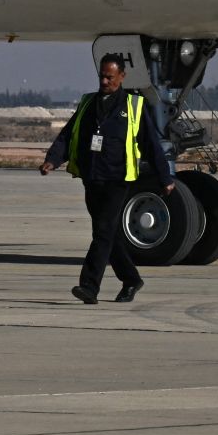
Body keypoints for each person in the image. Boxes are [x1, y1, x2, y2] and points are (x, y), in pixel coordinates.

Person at [40, 52, 176, 304]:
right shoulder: (88, 103)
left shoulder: (133, 106)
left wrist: (164, 176)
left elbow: (151, 144)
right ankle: (131, 279)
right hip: (92, 178)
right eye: (102, 76)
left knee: (102, 233)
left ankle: (89, 287)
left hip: (118, 179)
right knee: (107, 234)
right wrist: (53, 159)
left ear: (122, 77)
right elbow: (69, 134)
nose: (104, 81)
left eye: (110, 77)